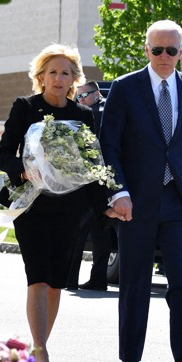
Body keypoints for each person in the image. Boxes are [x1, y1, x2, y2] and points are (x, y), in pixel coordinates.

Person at [99, 20, 182, 362]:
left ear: (181, 52)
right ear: (146, 49)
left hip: (181, 203)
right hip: (135, 203)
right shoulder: (125, 88)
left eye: (172, 50)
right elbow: (109, 145)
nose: (165, 56)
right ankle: (130, 355)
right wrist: (118, 192)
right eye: (158, 49)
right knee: (134, 284)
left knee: (181, 280)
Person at [0, 44, 105, 362]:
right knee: (38, 277)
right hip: (32, 207)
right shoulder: (25, 107)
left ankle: (40, 341)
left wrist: (106, 205)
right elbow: (2, 154)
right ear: (41, 77)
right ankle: (40, 349)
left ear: (74, 79)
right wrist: (23, 171)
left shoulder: (82, 115)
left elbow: (92, 164)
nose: (58, 78)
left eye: (65, 73)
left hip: (70, 208)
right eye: (52, 72)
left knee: (56, 281)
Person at [66, 81, 110, 291]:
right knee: (101, 234)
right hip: (106, 181)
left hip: (89, 182)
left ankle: (70, 278)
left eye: (85, 95)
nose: (81, 100)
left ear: (97, 93)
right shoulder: (110, 110)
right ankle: (98, 278)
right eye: (78, 97)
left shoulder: (90, 114)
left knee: (78, 232)